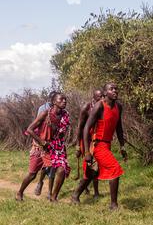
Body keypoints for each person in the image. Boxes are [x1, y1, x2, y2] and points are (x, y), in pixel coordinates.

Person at [71, 82, 127, 210]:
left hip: (107, 145)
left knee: (92, 174)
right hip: (97, 145)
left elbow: (119, 128)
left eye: (116, 88)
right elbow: (85, 129)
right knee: (114, 169)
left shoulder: (119, 107)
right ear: (105, 92)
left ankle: (75, 195)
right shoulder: (99, 106)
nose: (115, 91)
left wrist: (122, 147)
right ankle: (113, 205)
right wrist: (86, 152)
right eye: (111, 89)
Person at [17, 93, 71, 202]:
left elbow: (61, 133)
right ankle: (20, 192)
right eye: (61, 99)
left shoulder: (65, 116)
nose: (64, 101)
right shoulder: (45, 114)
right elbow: (30, 129)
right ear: (54, 102)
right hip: (40, 147)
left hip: (55, 148)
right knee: (32, 174)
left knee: (61, 169)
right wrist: (42, 142)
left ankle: (53, 197)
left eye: (65, 99)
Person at [74, 89, 103, 198]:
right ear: (94, 98)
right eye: (99, 97)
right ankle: (82, 189)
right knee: (89, 164)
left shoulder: (103, 107)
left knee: (97, 164)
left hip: (97, 139)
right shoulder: (86, 108)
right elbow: (80, 128)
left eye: (102, 97)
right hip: (86, 140)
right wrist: (78, 146)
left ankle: (95, 192)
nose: (101, 99)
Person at [33, 90, 58, 197]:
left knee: (53, 166)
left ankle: (49, 192)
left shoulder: (60, 110)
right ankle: (40, 182)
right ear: (51, 99)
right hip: (44, 142)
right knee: (46, 165)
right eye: (54, 99)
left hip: (55, 142)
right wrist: (41, 142)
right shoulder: (43, 109)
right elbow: (38, 127)